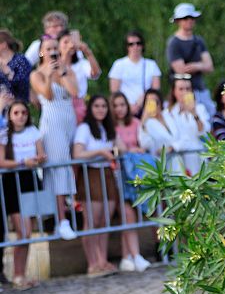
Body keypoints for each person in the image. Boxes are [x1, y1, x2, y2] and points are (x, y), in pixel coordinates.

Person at [29, 37, 78, 240]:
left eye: (55, 48)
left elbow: (75, 92)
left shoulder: (65, 69)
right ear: (41, 52)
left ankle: (73, 213)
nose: (52, 52)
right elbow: (47, 96)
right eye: (48, 49)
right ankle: (61, 220)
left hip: (68, 120)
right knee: (58, 169)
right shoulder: (36, 74)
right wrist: (49, 75)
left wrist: (62, 71)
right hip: (52, 123)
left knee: (71, 167)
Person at [0, 100, 46, 290]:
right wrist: (22, 162)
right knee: (23, 232)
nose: (21, 116)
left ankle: (21, 274)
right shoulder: (4, 135)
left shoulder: (33, 131)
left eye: (24, 113)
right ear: (10, 116)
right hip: (12, 183)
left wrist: (38, 160)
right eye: (16, 113)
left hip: (30, 180)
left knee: (28, 231)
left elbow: (42, 155)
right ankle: (17, 274)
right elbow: (2, 162)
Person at [72, 95, 119, 277]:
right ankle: (92, 263)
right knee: (91, 221)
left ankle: (102, 260)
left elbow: (118, 146)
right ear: (91, 108)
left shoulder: (107, 128)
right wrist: (100, 152)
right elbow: (77, 153)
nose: (101, 109)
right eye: (97, 106)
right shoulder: (84, 128)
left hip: (107, 174)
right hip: (90, 174)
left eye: (104, 106)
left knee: (104, 222)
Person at [110, 92, 151, 273]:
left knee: (132, 214)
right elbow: (119, 148)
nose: (119, 109)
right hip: (119, 176)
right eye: (116, 105)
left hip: (136, 174)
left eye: (122, 104)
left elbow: (144, 143)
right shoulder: (110, 127)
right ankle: (134, 256)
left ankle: (128, 257)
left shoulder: (135, 123)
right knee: (127, 214)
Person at [166, 3, 215, 115]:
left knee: (208, 117)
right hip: (184, 91)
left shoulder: (199, 41)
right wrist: (201, 65)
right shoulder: (174, 43)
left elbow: (210, 66)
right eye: (185, 18)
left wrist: (195, 66)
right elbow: (181, 70)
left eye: (191, 18)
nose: (189, 21)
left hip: (200, 89)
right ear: (178, 21)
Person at [163, 75, 210, 175]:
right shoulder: (167, 113)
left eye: (188, 89)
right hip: (176, 160)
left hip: (197, 159)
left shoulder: (200, 108)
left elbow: (204, 132)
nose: (185, 92)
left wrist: (194, 114)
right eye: (181, 89)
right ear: (174, 91)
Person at [109, 30, 162, 115]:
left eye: (138, 43)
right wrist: (128, 106)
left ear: (142, 45)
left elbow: (156, 89)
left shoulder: (151, 65)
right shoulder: (119, 64)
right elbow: (114, 91)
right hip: (124, 109)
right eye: (131, 44)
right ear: (127, 47)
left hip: (147, 108)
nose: (135, 46)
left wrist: (141, 101)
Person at [138, 89, 180, 172]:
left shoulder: (169, 115)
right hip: (161, 166)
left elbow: (184, 136)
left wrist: (172, 147)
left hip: (179, 161)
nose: (153, 105)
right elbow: (145, 144)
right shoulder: (146, 123)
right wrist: (144, 120)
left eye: (155, 101)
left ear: (160, 103)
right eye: (149, 102)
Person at [0, 30, 32, 102]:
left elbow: (24, 84)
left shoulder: (20, 60)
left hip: (18, 105)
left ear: (3, 45)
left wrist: (8, 73)